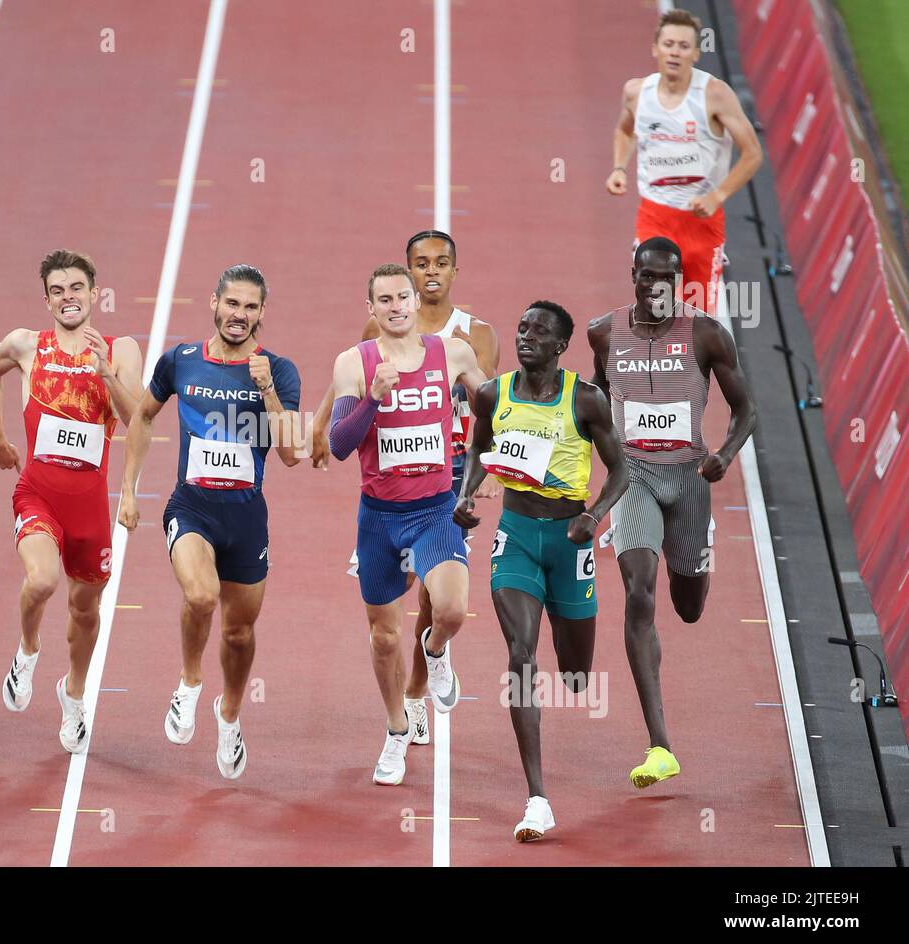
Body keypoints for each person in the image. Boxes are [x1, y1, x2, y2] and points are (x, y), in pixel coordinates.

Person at [310, 230, 499, 746]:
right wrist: (335, 417)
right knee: (387, 629)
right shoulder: (364, 350)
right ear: (374, 305)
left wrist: (492, 462)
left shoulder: (465, 343)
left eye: (440, 263)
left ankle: (430, 664)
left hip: (445, 485)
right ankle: (399, 718)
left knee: (445, 604)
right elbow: (345, 414)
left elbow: (495, 404)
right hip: (382, 504)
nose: (430, 272)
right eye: (420, 263)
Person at [119, 265, 301, 780]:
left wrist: (268, 392)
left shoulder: (280, 370)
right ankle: (189, 683)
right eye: (232, 303)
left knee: (239, 633)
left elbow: (290, 453)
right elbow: (144, 415)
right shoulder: (181, 360)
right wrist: (128, 489)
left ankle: (230, 715)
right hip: (191, 508)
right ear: (214, 303)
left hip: (246, 519)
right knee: (201, 597)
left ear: (262, 313)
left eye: (250, 307)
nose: (239, 314)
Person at [455, 301, 628, 841]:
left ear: (560, 346)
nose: (526, 337)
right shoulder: (493, 394)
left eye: (539, 332)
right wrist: (465, 494)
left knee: (575, 675)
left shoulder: (586, 399)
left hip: (569, 540)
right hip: (516, 537)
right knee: (520, 653)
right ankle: (537, 798)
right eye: (522, 327)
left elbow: (621, 469)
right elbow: (478, 447)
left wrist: (593, 517)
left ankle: (563, 624)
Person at [587, 236, 756, 788]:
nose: (656, 286)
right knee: (639, 594)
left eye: (667, 278)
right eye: (646, 276)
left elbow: (747, 409)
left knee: (688, 608)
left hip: (689, 481)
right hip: (633, 478)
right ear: (632, 276)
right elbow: (595, 398)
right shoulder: (604, 332)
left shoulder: (706, 334)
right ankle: (660, 745)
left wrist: (724, 455)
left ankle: (699, 548)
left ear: (678, 280)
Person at [0, 249, 143, 755]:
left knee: (85, 610)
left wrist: (106, 375)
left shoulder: (120, 349)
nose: (67, 298)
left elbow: (139, 419)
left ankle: (73, 694)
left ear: (94, 294)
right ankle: (27, 650)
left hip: (90, 507)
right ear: (46, 299)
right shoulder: (27, 345)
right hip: (38, 495)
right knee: (42, 580)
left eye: (76, 288)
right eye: (57, 290)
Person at [605, 6, 762, 315]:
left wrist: (717, 196)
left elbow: (753, 153)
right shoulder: (637, 92)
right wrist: (619, 168)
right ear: (655, 49)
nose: (675, 52)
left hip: (701, 221)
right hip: (655, 216)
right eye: (668, 44)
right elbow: (624, 130)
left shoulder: (714, 95)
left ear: (696, 53)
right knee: (653, 308)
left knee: (696, 319)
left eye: (683, 46)